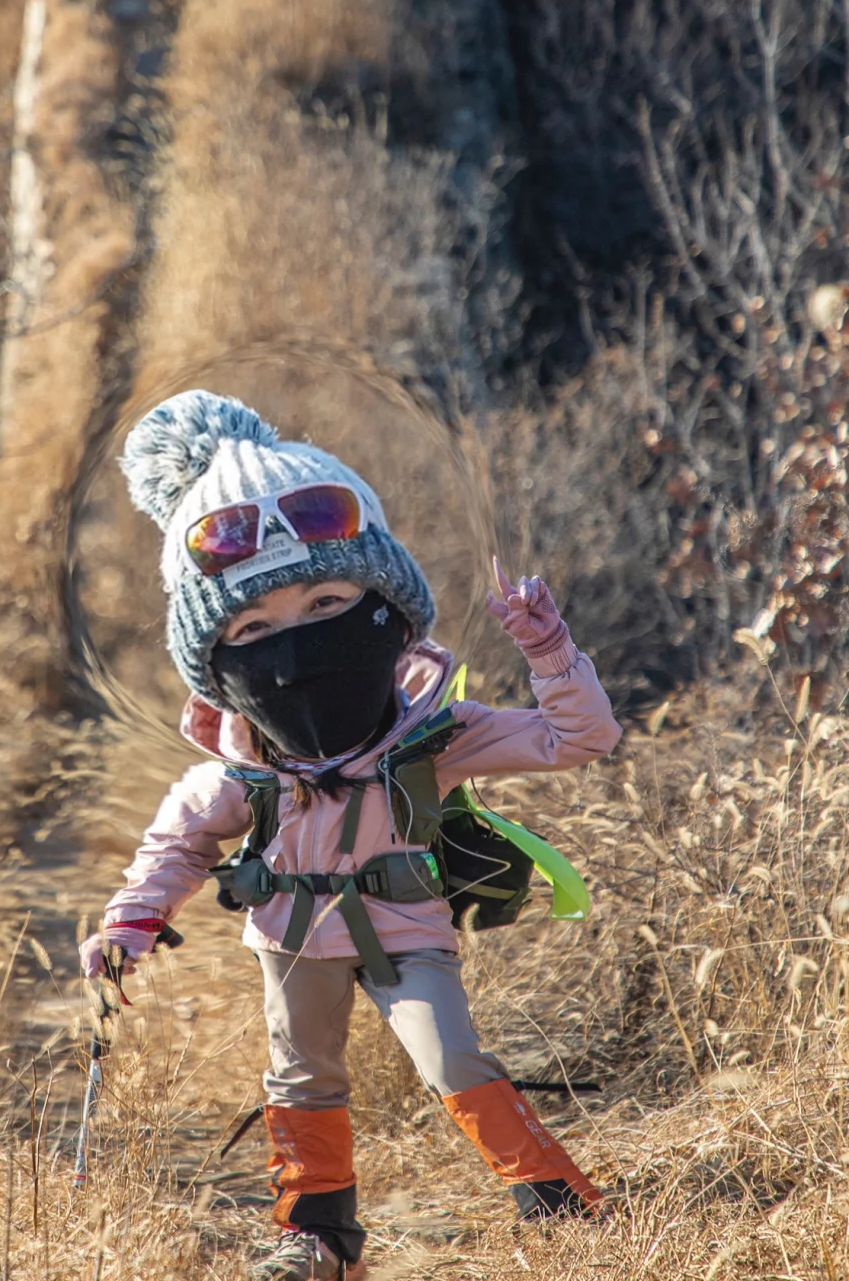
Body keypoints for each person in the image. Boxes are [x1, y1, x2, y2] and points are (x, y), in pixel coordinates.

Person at [80, 389, 623, 1281]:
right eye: (251, 629)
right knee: (301, 1081)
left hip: (407, 930)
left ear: (390, 610)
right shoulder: (240, 771)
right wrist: (130, 923)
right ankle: (315, 1238)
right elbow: (176, 845)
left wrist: (549, 650)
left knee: (452, 1059)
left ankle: (564, 1209)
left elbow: (580, 738)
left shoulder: (433, 732)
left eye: (329, 600)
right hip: (290, 944)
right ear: (216, 666)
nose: (293, 652)